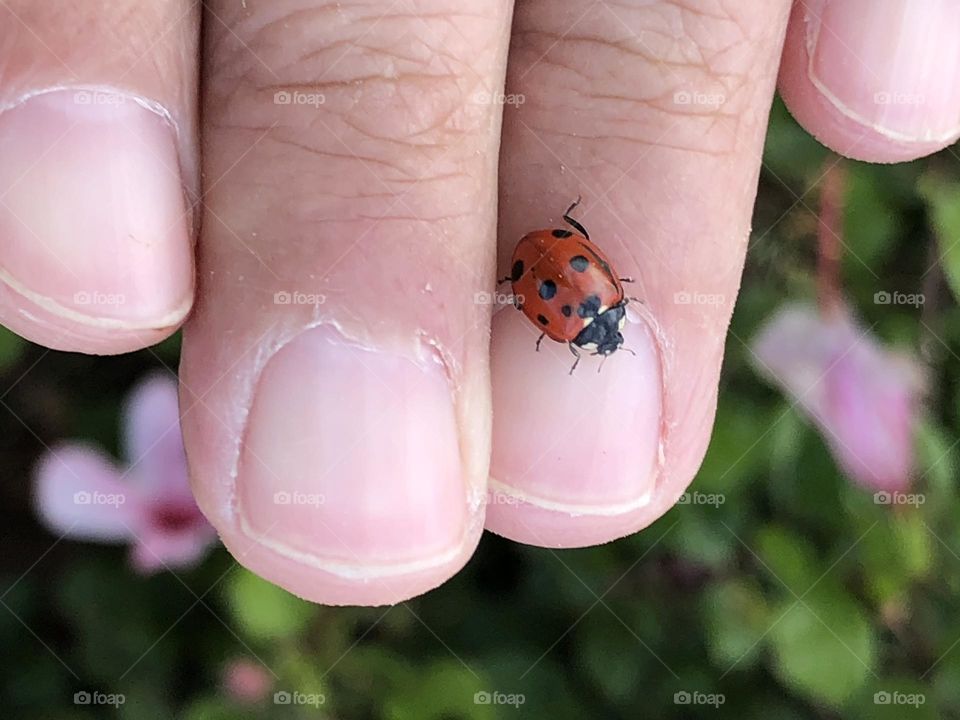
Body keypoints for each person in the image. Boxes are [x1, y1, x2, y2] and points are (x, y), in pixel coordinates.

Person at [1, 0, 954, 605]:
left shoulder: (581, 299)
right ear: (605, 318)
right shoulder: (573, 307)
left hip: (557, 257)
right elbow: (555, 269)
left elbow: (561, 265)